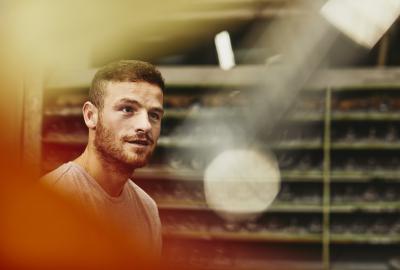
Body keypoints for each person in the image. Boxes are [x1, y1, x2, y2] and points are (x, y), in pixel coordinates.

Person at [41, 60, 164, 260]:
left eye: (154, 115)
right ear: (91, 116)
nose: (146, 126)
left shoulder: (147, 211)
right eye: (127, 109)